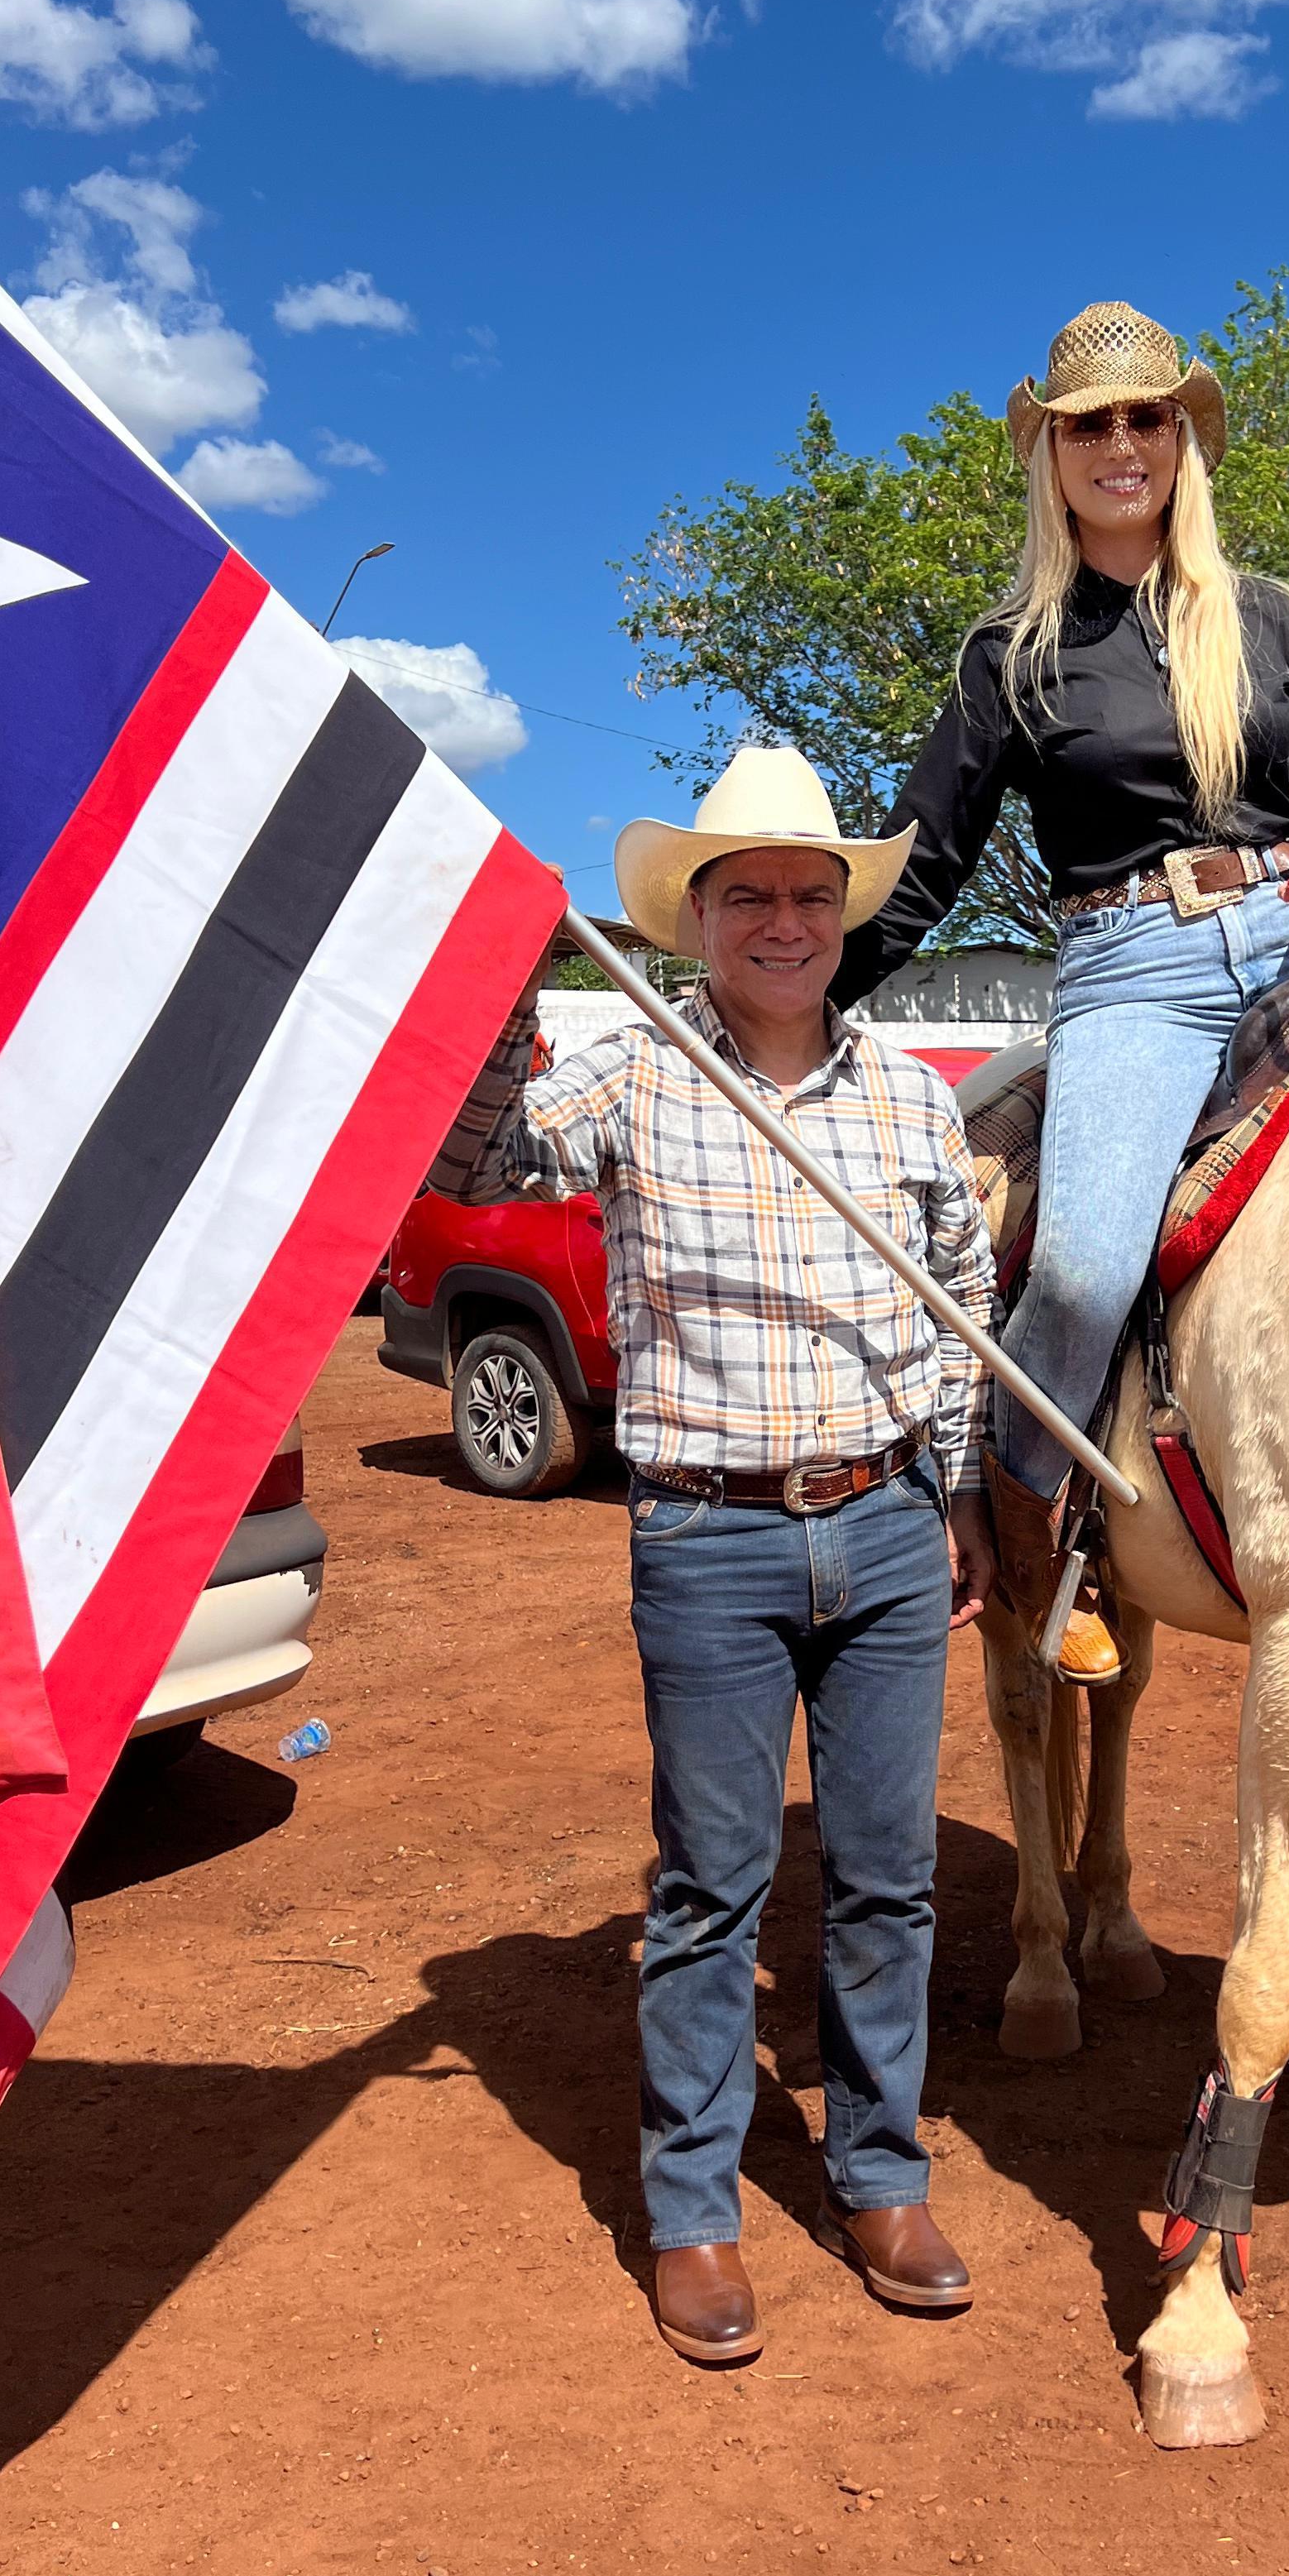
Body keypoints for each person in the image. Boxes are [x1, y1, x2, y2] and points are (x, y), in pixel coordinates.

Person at [429, 746, 999, 2370]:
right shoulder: (631, 1081)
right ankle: (694, 2209)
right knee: (712, 1889)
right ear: (693, 919)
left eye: (809, 892)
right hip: (708, 1541)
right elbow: (469, 1165)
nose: (781, 918)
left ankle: (880, 2176)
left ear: (843, 918)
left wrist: (955, 1494)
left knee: (887, 1879)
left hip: (887, 1529)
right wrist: (487, 984)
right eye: (746, 892)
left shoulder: (903, 1097)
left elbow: (959, 1319)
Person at [832, 300, 1289, 1680]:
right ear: (1052, 453)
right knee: (1083, 1271)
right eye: (1088, 423)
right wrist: (799, 998)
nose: (1119, 443)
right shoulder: (1008, 653)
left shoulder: (1271, 621)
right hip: (1130, 971)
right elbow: (923, 863)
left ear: (1179, 440)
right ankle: (1048, 1539)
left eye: (1144, 416)